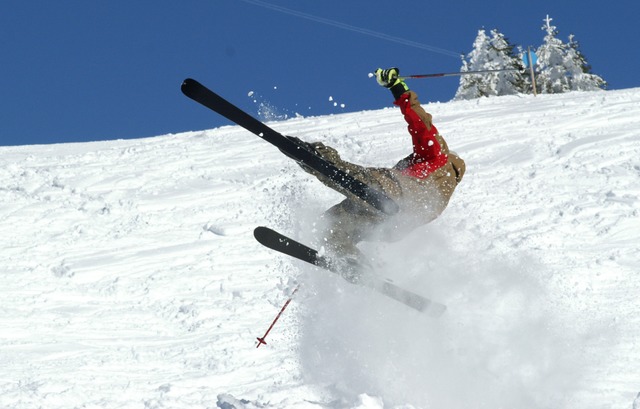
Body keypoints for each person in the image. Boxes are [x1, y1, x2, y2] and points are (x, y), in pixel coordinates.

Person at [297, 67, 465, 270]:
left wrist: (397, 87)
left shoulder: (437, 156)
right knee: (329, 228)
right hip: (391, 225)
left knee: (347, 176)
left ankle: (314, 155)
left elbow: (420, 122)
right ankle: (355, 263)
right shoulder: (442, 196)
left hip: (392, 195)